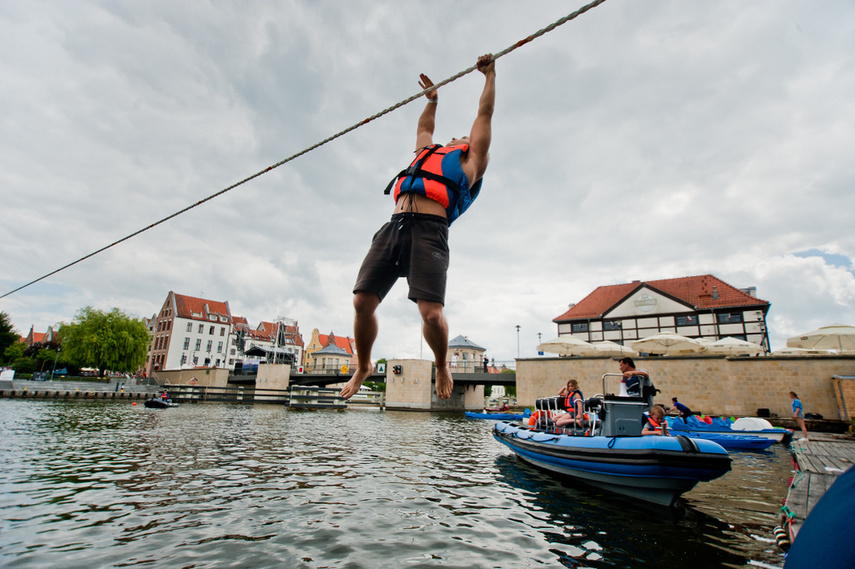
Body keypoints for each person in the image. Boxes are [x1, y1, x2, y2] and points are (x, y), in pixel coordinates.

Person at [340, 54, 496, 400]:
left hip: (429, 231)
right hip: (394, 226)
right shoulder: (427, 152)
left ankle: (441, 364)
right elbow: (424, 129)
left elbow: (484, 115)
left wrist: (489, 77)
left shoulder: (472, 161)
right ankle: (364, 365)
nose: (454, 138)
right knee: (362, 301)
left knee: (431, 314)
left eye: (459, 137)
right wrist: (433, 101)